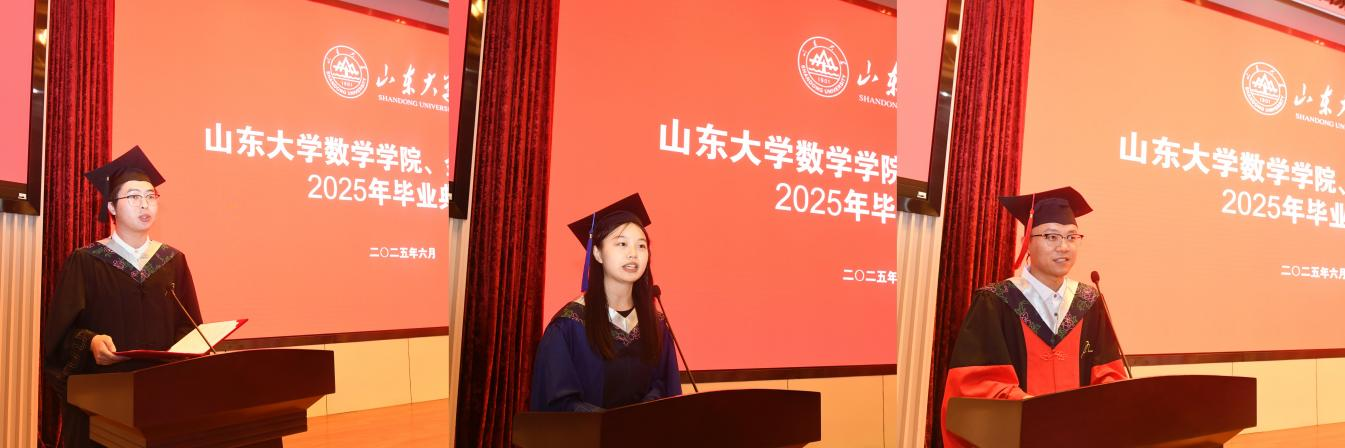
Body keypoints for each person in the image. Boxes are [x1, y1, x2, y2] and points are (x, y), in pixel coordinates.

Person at [41, 146, 203, 447]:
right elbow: (59, 336)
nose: (145, 204)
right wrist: (91, 342)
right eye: (134, 196)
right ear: (112, 208)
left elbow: (188, 326)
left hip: (161, 398)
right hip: (104, 401)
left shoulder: (172, 261)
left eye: (150, 196)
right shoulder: (86, 261)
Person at [941, 186, 1128, 447]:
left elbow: (1108, 375)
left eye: (1072, 237)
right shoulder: (996, 302)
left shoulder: (1088, 301)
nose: (1063, 246)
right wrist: (1033, 411)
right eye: (1051, 236)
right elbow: (975, 386)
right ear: (1027, 241)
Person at [529, 193, 682, 412]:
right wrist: (613, 425)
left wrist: (642, 417)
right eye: (622, 244)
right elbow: (558, 403)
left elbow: (665, 387)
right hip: (590, 433)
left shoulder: (656, 324)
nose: (633, 254)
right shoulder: (569, 326)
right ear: (597, 253)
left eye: (641, 246)